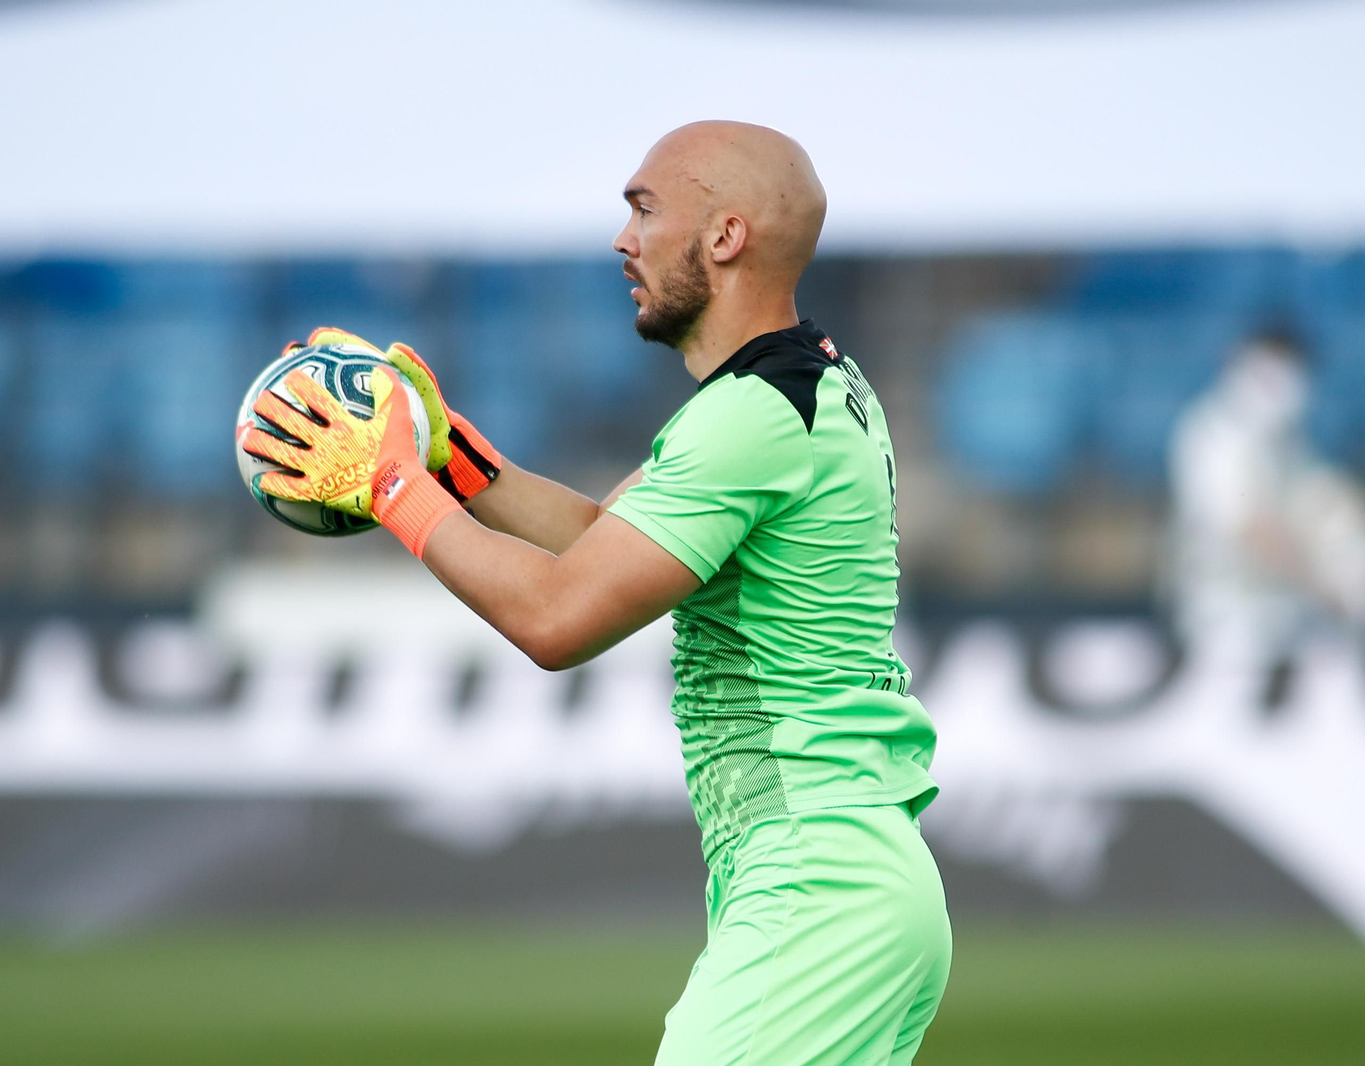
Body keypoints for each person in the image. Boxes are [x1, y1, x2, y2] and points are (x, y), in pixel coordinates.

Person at [240, 120, 951, 1065]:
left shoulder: (752, 416)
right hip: (853, 877)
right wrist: (454, 456)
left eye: (645, 210)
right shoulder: (809, 383)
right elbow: (601, 547)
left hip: (817, 881)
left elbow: (556, 617)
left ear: (725, 236)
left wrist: (394, 485)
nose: (624, 240)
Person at [1168, 327, 1365, 681]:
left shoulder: (1285, 439)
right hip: (1227, 610)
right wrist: (1328, 591)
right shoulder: (1212, 433)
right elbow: (1253, 531)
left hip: (1290, 605)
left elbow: (1324, 508)